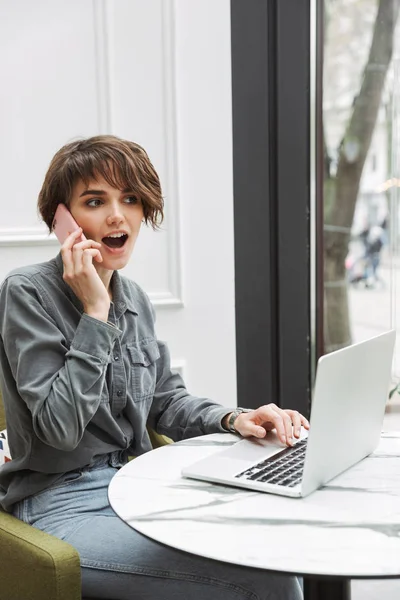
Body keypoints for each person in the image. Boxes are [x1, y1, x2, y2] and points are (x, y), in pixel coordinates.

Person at [0, 135, 309, 600]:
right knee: (267, 581)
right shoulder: (26, 292)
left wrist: (233, 418)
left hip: (137, 486)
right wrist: (95, 313)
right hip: (59, 507)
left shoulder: (136, 298)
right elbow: (59, 430)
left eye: (130, 199)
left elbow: (165, 399)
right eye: (94, 201)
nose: (117, 215)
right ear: (61, 219)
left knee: (273, 548)